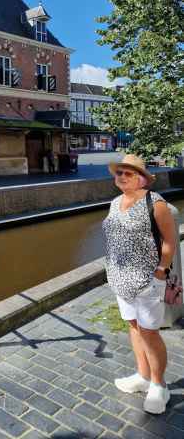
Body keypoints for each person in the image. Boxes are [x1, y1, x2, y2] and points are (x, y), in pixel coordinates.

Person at [103, 154, 176, 414]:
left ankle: (159, 385)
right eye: (119, 173)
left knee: (149, 332)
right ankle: (143, 376)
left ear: (141, 178)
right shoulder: (115, 202)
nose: (122, 177)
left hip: (147, 282)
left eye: (128, 173)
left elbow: (170, 241)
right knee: (134, 327)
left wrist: (160, 272)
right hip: (120, 280)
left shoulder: (155, 203)